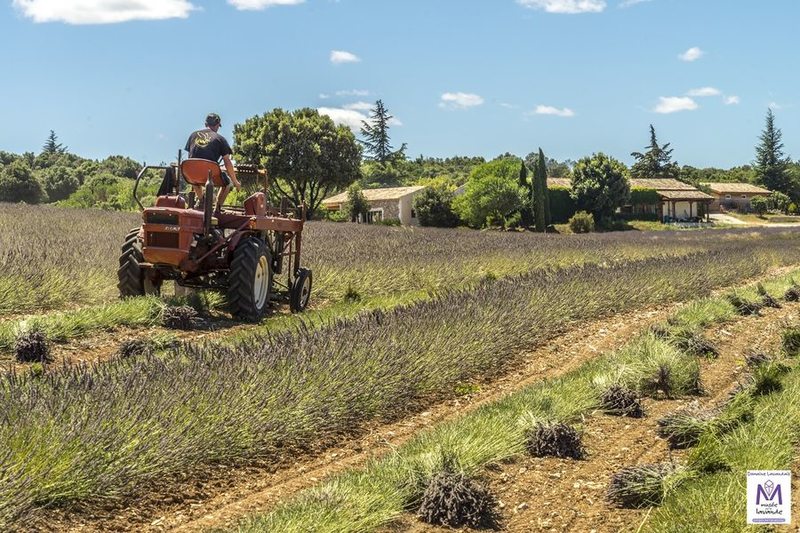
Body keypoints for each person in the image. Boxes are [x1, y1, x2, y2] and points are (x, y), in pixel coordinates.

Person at [184, 113, 241, 213]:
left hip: (191, 174)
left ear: (206, 124)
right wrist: (236, 182)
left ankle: (201, 200)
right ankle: (217, 209)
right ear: (217, 124)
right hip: (210, 174)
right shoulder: (220, 139)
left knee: (194, 178)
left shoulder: (193, 135)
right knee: (228, 184)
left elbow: (191, 158)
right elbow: (227, 162)